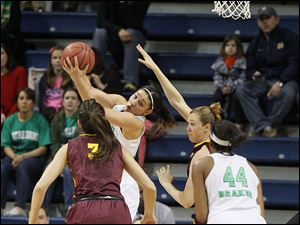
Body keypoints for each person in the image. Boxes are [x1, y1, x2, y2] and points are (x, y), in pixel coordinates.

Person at [63, 55, 171, 220]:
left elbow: (95, 109)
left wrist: (76, 77)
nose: (134, 102)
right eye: (135, 96)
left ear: (147, 112)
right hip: (102, 177)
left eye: (140, 103)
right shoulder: (120, 102)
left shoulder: (135, 123)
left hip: (122, 183)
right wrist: (78, 75)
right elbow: (91, 92)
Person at [28, 98, 157, 224]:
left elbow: (40, 188)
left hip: (84, 209)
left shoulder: (69, 147)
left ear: (79, 123)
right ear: (104, 121)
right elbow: (150, 187)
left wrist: (33, 220)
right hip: (116, 210)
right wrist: (148, 216)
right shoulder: (118, 147)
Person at [137, 44, 222, 208]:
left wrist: (166, 183)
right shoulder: (216, 140)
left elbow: (186, 201)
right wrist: (155, 68)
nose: (187, 128)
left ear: (206, 127)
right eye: (188, 123)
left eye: (192, 124)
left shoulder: (201, 156)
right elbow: (176, 101)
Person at [235, 6, 299, 137]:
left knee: (290, 92)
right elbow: (249, 68)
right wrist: (253, 75)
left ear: (276, 19)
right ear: (258, 22)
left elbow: (295, 64)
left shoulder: (290, 38)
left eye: (268, 18)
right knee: (242, 89)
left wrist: (280, 83)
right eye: (262, 19)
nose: (265, 22)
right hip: (263, 81)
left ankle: (271, 124)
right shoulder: (255, 43)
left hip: (285, 80)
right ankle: (262, 126)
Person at [192, 120, 266, 224]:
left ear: (210, 142)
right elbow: (260, 213)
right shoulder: (252, 167)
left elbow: (201, 216)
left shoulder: (201, 165)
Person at [1, 87, 51, 216]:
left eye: (28, 99)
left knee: (23, 166)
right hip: (13, 157)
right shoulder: (10, 121)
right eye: (21, 98)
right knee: (3, 166)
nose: (24, 102)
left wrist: (22, 157)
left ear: (33, 103)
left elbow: (43, 148)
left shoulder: (40, 120)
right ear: (17, 102)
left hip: (34, 159)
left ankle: (19, 207)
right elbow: (5, 145)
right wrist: (14, 156)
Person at [92, 1, 150, 91]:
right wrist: (118, 30)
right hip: (113, 33)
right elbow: (100, 21)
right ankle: (94, 74)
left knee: (132, 33)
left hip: (135, 36)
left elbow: (135, 24)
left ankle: (130, 82)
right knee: (99, 32)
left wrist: (124, 5)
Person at [42, 87, 81, 215]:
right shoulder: (56, 119)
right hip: (59, 155)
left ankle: (70, 207)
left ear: (78, 102)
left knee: (67, 169)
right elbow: (54, 143)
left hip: (78, 156)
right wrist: (60, 158)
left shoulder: (83, 119)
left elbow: (82, 141)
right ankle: (43, 209)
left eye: (73, 98)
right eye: (67, 98)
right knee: (48, 169)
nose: (70, 101)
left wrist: (68, 158)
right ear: (62, 102)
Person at [211, 35, 246, 123]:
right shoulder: (220, 61)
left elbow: (243, 78)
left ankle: (239, 122)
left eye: (233, 45)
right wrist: (222, 87)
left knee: (236, 98)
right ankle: (218, 120)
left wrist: (231, 87)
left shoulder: (242, 61)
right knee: (217, 97)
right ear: (224, 47)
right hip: (222, 88)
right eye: (228, 45)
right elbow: (216, 77)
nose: (230, 48)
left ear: (238, 48)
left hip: (235, 87)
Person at [38, 46, 73, 122]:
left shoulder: (70, 79)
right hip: (47, 113)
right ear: (50, 61)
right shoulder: (44, 78)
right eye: (55, 58)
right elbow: (40, 99)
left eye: (60, 58)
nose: (58, 61)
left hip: (64, 112)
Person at [1, 42, 27, 125]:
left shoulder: (19, 72)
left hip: (16, 115)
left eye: (1, 53)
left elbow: (21, 97)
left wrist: (9, 118)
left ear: (7, 54)